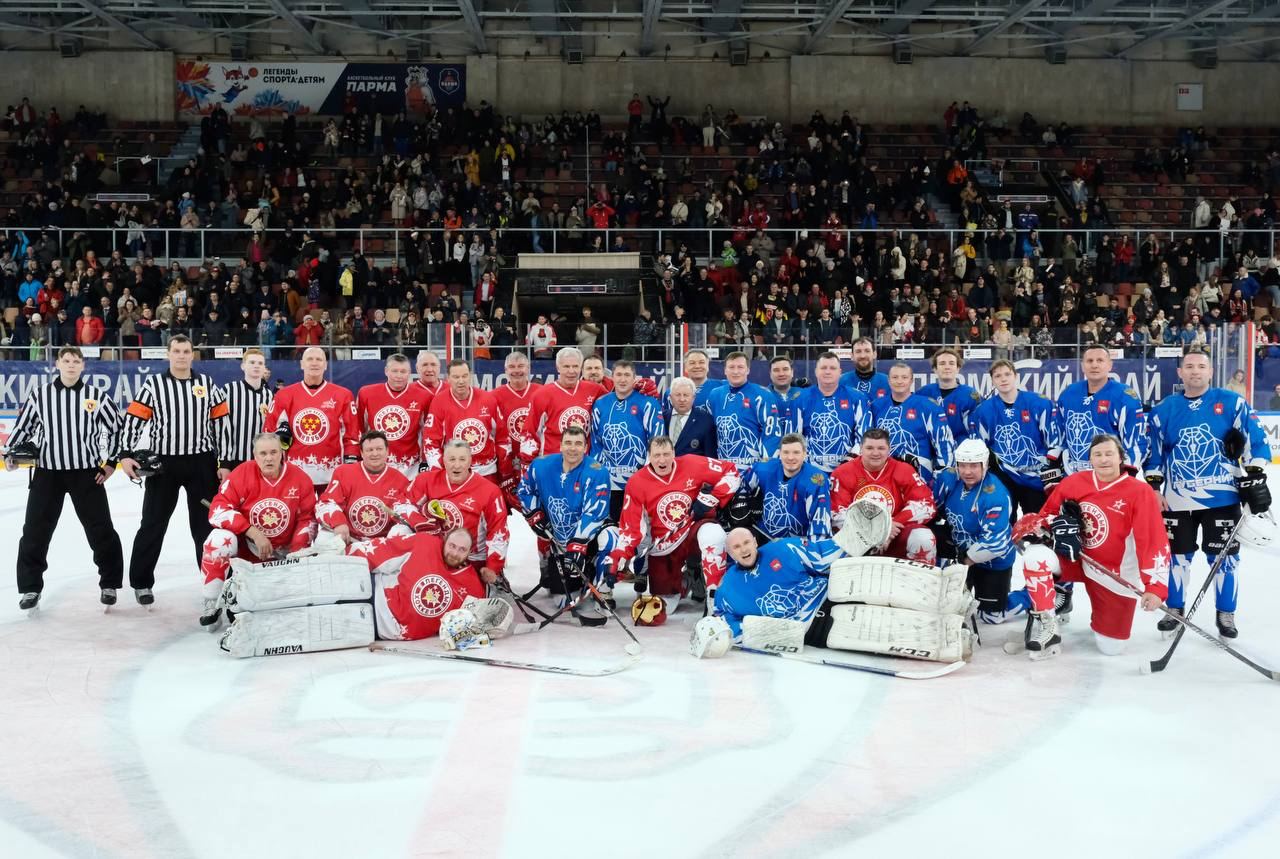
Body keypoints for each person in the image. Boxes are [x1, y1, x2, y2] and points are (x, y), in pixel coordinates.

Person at [1146, 347, 1270, 638]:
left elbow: (1257, 438)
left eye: (1201, 366)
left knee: (1224, 559)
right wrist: (1153, 486)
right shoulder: (1165, 409)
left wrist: (1254, 473)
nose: (1195, 371)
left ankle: (1225, 614)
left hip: (1223, 498)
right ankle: (1175, 610)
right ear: (1180, 373)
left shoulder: (1231, 402)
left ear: (1211, 372)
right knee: (1177, 557)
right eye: (1189, 367)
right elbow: (1154, 454)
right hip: (1176, 499)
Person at [1010, 435, 1170, 659]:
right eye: (1097, 455)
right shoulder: (1074, 482)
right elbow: (1047, 515)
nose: (1103, 459)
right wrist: (1035, 526)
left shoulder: (1139, 492)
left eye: (1109, 454)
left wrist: (1155, 587)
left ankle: (1104, 622)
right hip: (1077, 559)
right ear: (1090, 459)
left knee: (1111, 647)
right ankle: (1049, 627)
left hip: (1113, 573)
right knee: (1034, 557)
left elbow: (1153, 541)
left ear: (1120, 458)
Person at [217, 528, 492, 657]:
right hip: (367, 590)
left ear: (469, 554)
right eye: (452, 545)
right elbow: (384, 552)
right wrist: (345, 556)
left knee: (305, 625)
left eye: (461, 549)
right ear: (446, 541)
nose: (454, 552)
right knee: (304, 587)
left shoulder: (471, 587)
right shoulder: (425, 544)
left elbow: (471, 627)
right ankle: (245, 587)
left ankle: (246, 636)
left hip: (374, 629)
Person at [709, 528, 972, 663]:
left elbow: (823, 555)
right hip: (813, 630)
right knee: (886, 626)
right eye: (736, 547)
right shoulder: (728, 589)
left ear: (754, 542)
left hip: (831, 596)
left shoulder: (783, 548)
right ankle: (949, 638)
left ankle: (951, 597)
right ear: (729, 554)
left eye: (745, 543)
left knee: (886, 587)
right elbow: (724, 619)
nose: (743, 549)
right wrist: (734, 633)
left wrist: (852, 538)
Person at [4, 346, 124, 610]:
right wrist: (11, 454)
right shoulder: (41, 396)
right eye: (66, 360)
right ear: (57, 364)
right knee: (35, 531)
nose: (71, 365)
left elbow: (117, 428)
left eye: (76, 361)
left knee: (101, 529)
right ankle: (30, 588)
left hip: (87, 473)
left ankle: (110, 583)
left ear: (83, 365)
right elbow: (23, 428)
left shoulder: (96, 396)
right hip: (48, 473)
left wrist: (111, 463)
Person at [116, 334, 229, 606]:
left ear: (193, 355)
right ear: (168, 354)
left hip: (201, 463)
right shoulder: (153, 385)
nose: (181, 355)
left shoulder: (207, 384)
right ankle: (142, 583)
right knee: (153, 524)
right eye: (176, 351)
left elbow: (221, 424)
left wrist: (223, 462)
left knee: (205, 527)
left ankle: (211, 583)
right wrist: (126, 454)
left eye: (186, 351)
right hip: (164, 464)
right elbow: (134, 420)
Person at [597, 436, 738, 618]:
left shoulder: (691, 463)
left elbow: (732, 472)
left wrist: (712, 497)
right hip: (664, 548)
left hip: (692, 531)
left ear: (673, 453)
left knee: (714, 534)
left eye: (666, 454)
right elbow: (631, 529)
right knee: (666, 608)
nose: (662, 460)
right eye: (657, 455)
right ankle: (687, 578)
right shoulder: (637, 483)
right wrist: (620, 556)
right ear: (649, 456)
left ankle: (715, 600)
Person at [200, 433, 316, 628]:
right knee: (219, 539)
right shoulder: (241, 474)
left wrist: (296, 553)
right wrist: (253, 532)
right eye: (263, 453)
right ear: (255, 455)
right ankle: (212, 600)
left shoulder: (300, 478)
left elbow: (308, 519)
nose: (268, 458)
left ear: (282, 453)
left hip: (285, 553)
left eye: (273, 452)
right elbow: (217, 511)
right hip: (249, 552)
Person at [517, 425, 612, 598]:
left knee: (612, 536)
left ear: (585, 447)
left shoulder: (597, 471)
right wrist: (535, 515)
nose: (573, 448)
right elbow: (524, 490)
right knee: (562, 599)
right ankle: (582, 580)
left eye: (578, 444)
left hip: (589, 537)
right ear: (560, 446)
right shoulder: (540, 466)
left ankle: (602, 588)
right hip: (560, 538)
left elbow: (595, 512)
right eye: (568, 443)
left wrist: (578, 545)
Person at [932, 438, 1017, 622]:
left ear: (984, 465)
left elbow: (996, 544)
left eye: (973, 466)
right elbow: (932, 510)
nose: (967, 472)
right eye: (962, 465)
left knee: (991, 616)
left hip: (993, 559)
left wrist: (963, 561)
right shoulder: (949, 479)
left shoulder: (995, 495)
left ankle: (1031, 596)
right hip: (958, 548)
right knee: (945, 608)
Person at [968, 359, 1061, 517]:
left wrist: (1051, 463)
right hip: (1004, 474)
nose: (1003, 379)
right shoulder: (983, 411)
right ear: (992, 380)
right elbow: (980, 445)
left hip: (1035, 473)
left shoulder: (1039, 403)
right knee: (1004, 519)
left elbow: (1054, 437)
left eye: (1007, 374)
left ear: (1015, 376)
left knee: (1036, 522)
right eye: (998, 376)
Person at [829, 428, 937, 563]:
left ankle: (919, 582)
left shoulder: (903, 470)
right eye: (869, 448)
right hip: (858, 539)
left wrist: (892, 525)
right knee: (836, 546)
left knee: (923, 538)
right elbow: (837, 516)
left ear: (889, 449)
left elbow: (926, 505)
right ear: (861, 449)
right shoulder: (842, 473)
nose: (875, 453)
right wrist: (879, 529)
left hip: (895, 535)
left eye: (881, 448)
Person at [263, 346, 360, 489]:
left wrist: (350, 466)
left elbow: (352, 435)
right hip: (293, 477)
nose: (314, 363)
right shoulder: (284, 395)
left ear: (326, 365)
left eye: (319, 359)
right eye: (309, 359)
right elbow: (269, 433)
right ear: (302, 364)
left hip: (331, 477)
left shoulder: (343, 395)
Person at [317, 431, 425, 547]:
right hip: (349, 537)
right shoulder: (343, 473)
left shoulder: (400, 480)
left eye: (379, 449)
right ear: (362, 453)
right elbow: (326, 503)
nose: (375, 454)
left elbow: (404, 511)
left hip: (382, 543)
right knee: (323, 539)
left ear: (387, 451)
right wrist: (338, 523)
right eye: (369, 450)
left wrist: (422, 523)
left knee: (403, 532)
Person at [591, 359, 665, 520]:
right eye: (618, 374)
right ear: (612, 377)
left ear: (634, 378)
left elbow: (658, 440)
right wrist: (597, 471)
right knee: (612, 525)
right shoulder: (600, 404)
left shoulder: (648, 403)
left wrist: (648, 472)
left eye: (627, 375)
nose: (622, 379)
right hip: (609, 479)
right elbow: (595, 442)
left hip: (639, 479)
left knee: (639, 526)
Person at [1056, 344, 1146, 476]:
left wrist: (1126, 475)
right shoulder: (1068, 394)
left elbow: (1136, 442)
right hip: (1074, 476)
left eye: (1100, 360)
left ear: (1110, 365)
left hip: (1111, 476)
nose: (1094, 365)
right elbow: (1060, 436)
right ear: (1082, 366)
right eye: (1089, 361)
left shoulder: (1124, 396)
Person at [735, 434, 832, 543]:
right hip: (763, 535)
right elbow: (738, 483)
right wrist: (740, 501)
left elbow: (820, 525)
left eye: (796, 452)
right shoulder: (763, 468)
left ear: (805, 454)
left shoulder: (816, 480)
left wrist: (813, 550)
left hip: (798, 542)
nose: (790, 457)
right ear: (779, 453)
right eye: (786, 452)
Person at [869, 362, 954, 484]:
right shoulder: (877, 406)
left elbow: (944, 443)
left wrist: (942, 474)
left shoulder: (928, 407)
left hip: (919, 476)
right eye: (895, 377)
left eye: (904, 377)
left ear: (911, 380)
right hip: (883, 475)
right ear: (888, 380)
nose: (899, 381)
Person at [521, 347, 607, 465]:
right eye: (566, 366)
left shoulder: (595, 390)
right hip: (552, 463)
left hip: (584, 464)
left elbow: (616, 400)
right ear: (558, 368)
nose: (571, 371)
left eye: (575, 366)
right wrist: (528, 466)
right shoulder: (541, 395)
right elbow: (529, 432)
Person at [423, 359, 507, 478]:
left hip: (486, 471)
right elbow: (431, 442)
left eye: (464, 376)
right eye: (456, 377)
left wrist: (505, 470)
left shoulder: (488, 399)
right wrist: (439, 472)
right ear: (448, 378)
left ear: (470, 376)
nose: (461, 381)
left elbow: (502, 436)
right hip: (454, 473)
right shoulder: (439, 401)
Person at [355, 353, 434, 478]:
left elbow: (429, 433)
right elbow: (358, 429)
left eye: (403, 371)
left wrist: (425, 461)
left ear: (409, 372)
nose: (399, 376)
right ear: (386, 371)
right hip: (375, 464)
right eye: (394, 371)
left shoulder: (424, 396)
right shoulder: (366, 393)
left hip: (410, 468)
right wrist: (357, 456)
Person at [793, 351, 872, 473]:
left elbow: (865, 436)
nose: (828, 371)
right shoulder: (800, 399)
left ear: (840, 372)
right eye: (823, 368)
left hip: (848, 469)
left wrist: (850, 460)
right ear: (816, 371)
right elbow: (794, 438)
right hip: (810, 470)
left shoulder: (857, 398)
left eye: (832, 368)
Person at [705, 351, 782, 472]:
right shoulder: (715, 395)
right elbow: (709, 434)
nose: (736, 371)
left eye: (740, 367)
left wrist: (764, 468)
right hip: (723, 468)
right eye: (731, 367)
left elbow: (772, 434)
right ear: (725, 370)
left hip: (752, 468)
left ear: (748, 370)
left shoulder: (762, 395)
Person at [491, 350, 542, 508]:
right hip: (505, 464)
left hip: (536, 461)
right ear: (505, 371)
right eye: (512, 367)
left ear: (528, 368)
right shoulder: (494, 396)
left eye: (521, 366)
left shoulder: (541, 392)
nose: (516, 370)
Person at [217, 347, 274, 478]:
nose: (256, 366)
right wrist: (224, 463)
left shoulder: (269, 395)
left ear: (264, 368)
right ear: (243, 366)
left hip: (261, 460)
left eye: (260, 363)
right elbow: (221, 427)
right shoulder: (229, 390)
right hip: (234, 459)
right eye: (252, 362)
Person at [917, 348, 981, 444]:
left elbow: (978, 426)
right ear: (935, 369)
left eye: (951, 363)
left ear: (958, 368)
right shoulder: (924, 393)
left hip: (961, 450)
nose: (947, 367)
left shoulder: (970, 394)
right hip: (930, 450)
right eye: (942, 363)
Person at [663, 376, 717, 456]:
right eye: (678, 395)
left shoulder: (706, 421)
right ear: (670, 397)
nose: (682, 399)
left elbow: (710, 456)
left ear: (693, 397)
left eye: (686, 395)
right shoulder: (662, 418)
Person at [839, 336, 889, 400]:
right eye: (858, 351)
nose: (863, 356)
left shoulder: (887, 382)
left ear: (874, 354)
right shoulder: (842, 382)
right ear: (852, 356)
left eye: (867, 351)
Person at [768, 356, 803, 435]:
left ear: (792, 372)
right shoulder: (761, 397)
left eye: (785, 369)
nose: (781, 374)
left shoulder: (805, 396)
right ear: (770, 374)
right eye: (776, 370)